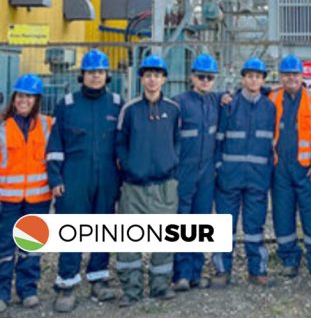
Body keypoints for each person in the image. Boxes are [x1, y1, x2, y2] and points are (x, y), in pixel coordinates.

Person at [47, 49, 122, 312]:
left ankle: (98, 278)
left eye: (100, 72)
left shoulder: (116, 103)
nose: (95, 76)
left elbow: (123, 144)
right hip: (74, 176)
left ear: (106, 75)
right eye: (91, 72)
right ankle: (67, 283)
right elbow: (55, 144)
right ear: (82, 75)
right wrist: (55, 177)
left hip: (107, 176)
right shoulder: (67, 104)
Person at [115, 55, 180, 307]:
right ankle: (131, 289)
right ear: (141, 79)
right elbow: (120, 144)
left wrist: (170, 162)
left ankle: (160, 286)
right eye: (148, 75)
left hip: (164, 186)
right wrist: (130, 167)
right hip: (135, 186)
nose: (153, 80)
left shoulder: (173, 109)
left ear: (164, 79)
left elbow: (177, 141)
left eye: (157, 75)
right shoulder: (130, 109)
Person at [211, 58, 276, 287]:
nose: (254, 80)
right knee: (224, 226)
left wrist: (267, 171)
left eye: (258, 76)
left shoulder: (270, 108)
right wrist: (219, 167)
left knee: (254, 227)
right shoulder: (229, 105)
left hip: (257, 178)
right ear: (243, 79)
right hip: (229, 177)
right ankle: (222, 270)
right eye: (250, 76)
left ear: (263, 80)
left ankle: (257, 270)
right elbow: (219, 140)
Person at [269, 55, 311, 281]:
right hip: (280, 170)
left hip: (307, 170)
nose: (291, 78)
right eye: (287, 75)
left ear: (302, 75)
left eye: (295, 74)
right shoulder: (272, 98)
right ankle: (289, 259)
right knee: (282, 215)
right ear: (280, 77)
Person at [0, 75, 52, 313]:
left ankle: (28, 290)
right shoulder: (2, 127)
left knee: (31, 246)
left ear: (36, 100)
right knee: (4, 248)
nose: (24, 100)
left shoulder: (47, 125)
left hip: (38, 198)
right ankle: (2, 293)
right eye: (20, 95)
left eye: (29, 97)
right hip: (7, 199)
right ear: (14, 98)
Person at [172, 54, 223, 291]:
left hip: (206, 171)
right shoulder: (179, 103)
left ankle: (196, 272)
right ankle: (181, 274)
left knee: (201, 221)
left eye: (209, 77)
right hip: (184, 170)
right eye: (201, 76)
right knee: (182, 220)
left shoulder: (216, 101)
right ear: (192, 77)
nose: (205, 81)